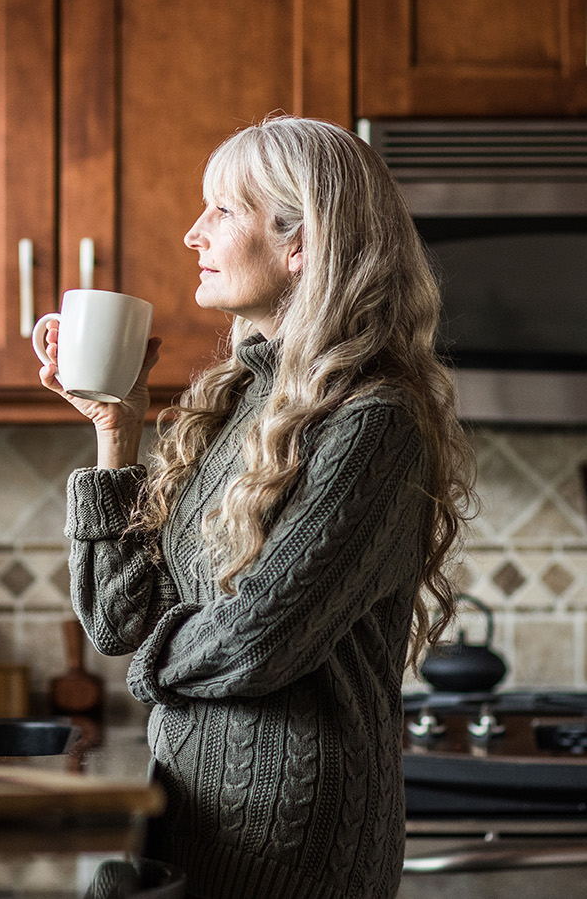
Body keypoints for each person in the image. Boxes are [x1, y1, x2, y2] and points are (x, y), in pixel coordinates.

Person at [37, 114, 474, 899]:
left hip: (292, 838)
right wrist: (118, 428)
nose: (192, 234)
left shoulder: (374, 422)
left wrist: (150, 672)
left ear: (298, 243)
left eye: (222, 210)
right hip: (197, 809)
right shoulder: (241, 398)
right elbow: (114, 621)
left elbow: (259, 640)